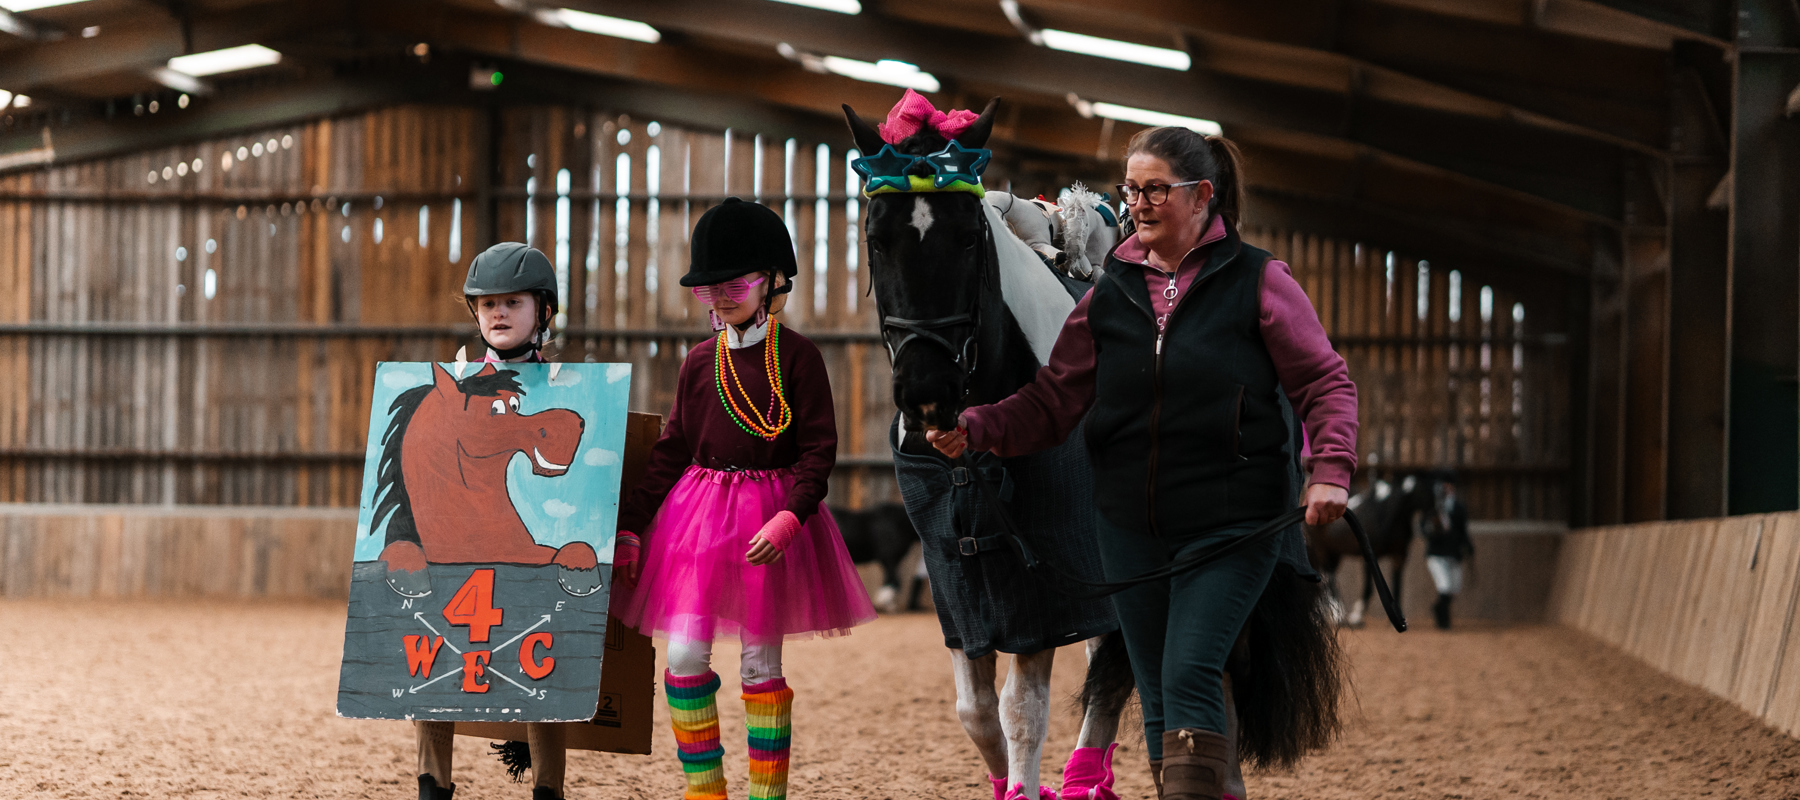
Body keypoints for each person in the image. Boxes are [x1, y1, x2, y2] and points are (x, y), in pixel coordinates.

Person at [926, 127, 1359, 800]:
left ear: (1201, 196)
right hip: (1128, 530)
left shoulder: (1260, 281)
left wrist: (1330, 467)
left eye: (1156, 188)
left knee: (1188, 672)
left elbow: (1326, 382)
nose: (1139, 203)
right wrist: (976, 428)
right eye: (1132, 189)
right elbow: (1052, 402)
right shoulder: (1112, 293)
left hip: (1230, 523)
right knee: (1158, 688)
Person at [613, 197, 877, 800]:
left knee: (760, 664)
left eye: (735, 284)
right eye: (709, 290)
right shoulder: (699, 362)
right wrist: (632, 524)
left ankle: (766, 796)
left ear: (771, 282)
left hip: (772, 517)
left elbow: (818, 449)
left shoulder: (800, 357)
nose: (722, 298)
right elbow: (673, 447)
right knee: (682, 657)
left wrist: (793, 516)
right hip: (698, 518)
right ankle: (705, 790)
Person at [414, 241, 575, 800]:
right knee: (434, 651)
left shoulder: (574, 392)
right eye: (487, 305)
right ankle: (431, 784)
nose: (499, 314)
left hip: (527, 542)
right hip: (457, 541)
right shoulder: (452, 387)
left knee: (544, 653)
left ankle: (547, 789)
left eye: (512, 302)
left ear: (543, 312)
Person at [1423, 472, 1474, 630]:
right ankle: (1443, 622)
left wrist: (1468, 547)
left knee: (1454, 589)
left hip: (1454, 554)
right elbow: (1424, 528)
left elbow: (1463, 531)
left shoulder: (1458, 508)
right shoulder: (1432, 508)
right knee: (1444, 587)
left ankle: (1439, 610)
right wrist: (1433, 529)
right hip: (1437, 555)